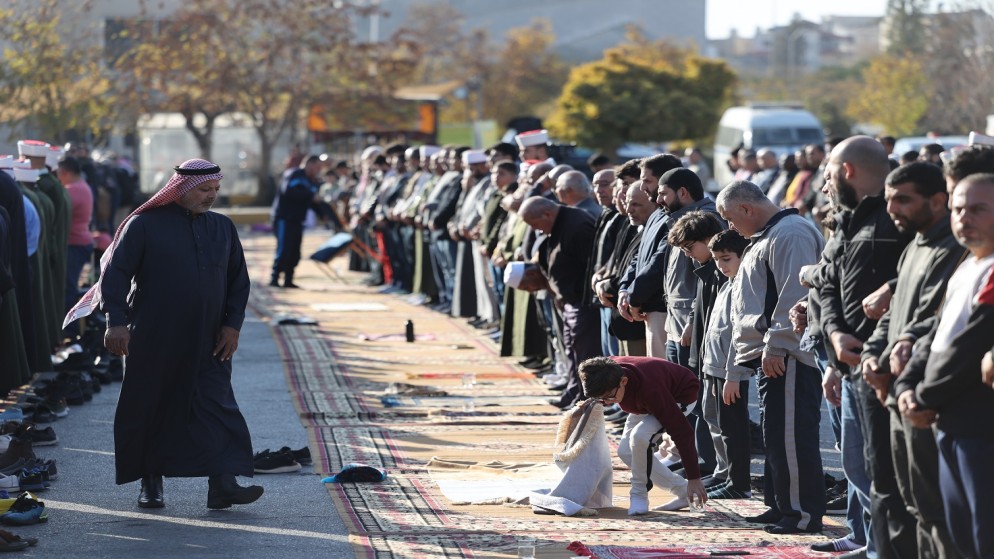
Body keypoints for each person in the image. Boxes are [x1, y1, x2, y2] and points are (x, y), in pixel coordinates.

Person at [64, 158, 262, 511]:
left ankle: (223, 484)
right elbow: (116, 275)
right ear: (181, 190)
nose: (211, 196)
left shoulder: (223, 228)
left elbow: (238, 282)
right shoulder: (144, 225)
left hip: (211, 338)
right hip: (155, 335)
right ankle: (150, 483)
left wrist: (232, 326)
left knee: (215, 407)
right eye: (203, 189)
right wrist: (116, 321)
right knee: (152, 407)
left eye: (215, 189)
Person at [864, 162, 964, 559]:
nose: (893, 209)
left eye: (903, 200)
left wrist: (887, 359)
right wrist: (873, 354)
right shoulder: (914, 246)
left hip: (924, 394)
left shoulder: (953, 248)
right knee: (913, 503)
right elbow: (892, 317)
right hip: (895, 393)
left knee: (936, 510)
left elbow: (929, 317)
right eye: (889, 200)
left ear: (938, 200)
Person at [716, 180, 826, 535]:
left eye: (730, 219)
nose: (730, 228)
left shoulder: (790, 233)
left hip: (787, 354)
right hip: (771, 353)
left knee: (792, 437)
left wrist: (777, 344)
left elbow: (795, 295)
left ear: (747, 209)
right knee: (777, 435)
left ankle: (801, 514)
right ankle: (781, 505)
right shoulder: (767, 235)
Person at [896, 172, 994, 559]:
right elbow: (935, 334)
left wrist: (922, 395)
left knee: (984, 537)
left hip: (979, 426)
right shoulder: (969, 266)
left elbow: (971, 343)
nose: (964, 218)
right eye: (958, 209)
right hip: (947, 422)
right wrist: (907, 386)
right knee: (961, 536)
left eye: (978, 210)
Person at [578, 356, 706, 514]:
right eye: (601, 399)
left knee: (639, 437)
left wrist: (694, 477)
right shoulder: (603, 370)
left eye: (609, 397)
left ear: (623, 381)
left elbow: (683, 432)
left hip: (678, 395)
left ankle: (638, 494)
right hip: (643, 401)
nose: (607, 402)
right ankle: (682, 490)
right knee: (625, 452)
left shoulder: (651, 390)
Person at [271, 155, 323, 288]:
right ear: (309, 164)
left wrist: (323, 214)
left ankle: (289, 279)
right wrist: (311, 196)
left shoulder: (311, 180)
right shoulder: (294, 174)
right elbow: (289, 191)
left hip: (298, 220)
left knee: (295, 251)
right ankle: (275, 278)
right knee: (284, 249)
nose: (318, 170)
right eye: (317, 167)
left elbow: (313, 202)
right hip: (285, 218)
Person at [57, 156, 94, 317]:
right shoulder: (82, 186)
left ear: (64, 172)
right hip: (80, 241)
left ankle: (70, 329)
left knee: (68, 288)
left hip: (75, 243)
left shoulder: (72, 190)